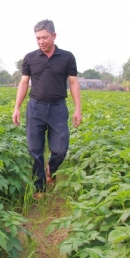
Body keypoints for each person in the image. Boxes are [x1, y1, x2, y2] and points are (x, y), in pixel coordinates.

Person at [12, 19, 82, 198]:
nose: (41, 41)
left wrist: (78, 108)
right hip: (35, 108)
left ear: (54, 36)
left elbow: (73, 82)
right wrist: (17, 107)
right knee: (35, 151)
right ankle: (40, 188)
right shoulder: (30, 58)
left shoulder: (67, 57)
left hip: (58, 108)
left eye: (44, 37)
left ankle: (51, 169)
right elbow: (24, 82)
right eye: (38, 38)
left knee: (60, 149)